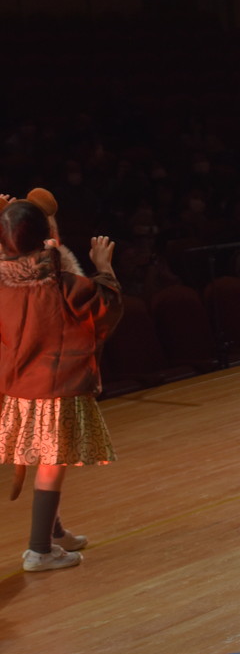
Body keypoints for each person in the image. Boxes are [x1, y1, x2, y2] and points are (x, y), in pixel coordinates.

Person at [0, 201, 122, 571]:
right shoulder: (62, 285)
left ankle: (52, 532)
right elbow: (105, 310)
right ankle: (39, 550)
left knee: (45, 458)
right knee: (52, 463)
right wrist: (104, 267)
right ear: (48, 236)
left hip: (19, 386)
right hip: (55, 386)